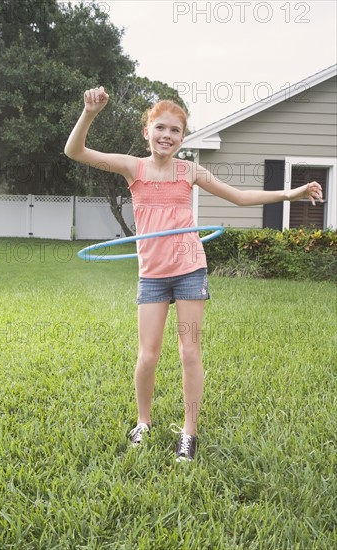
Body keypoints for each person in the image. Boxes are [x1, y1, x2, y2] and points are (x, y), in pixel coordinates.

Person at [64, 86, 323, 462]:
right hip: (152, 274)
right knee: (148, 355)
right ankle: (143, 422)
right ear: (147, 132)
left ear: (183, 138)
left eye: (176, 131)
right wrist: (89, 112)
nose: (167, 136)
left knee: (189, 351)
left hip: (189, 269)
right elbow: (75, 152)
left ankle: (189, 431)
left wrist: (291, 194)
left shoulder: (190, 171)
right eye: (161, 128)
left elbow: (238, 196)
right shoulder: (132, 167)